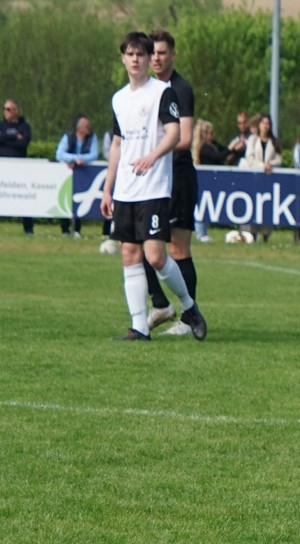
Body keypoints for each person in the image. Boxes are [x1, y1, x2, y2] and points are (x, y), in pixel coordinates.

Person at [100, 31, 206, 342]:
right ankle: (139, 327)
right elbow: (117, 144)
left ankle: (189, 307)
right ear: (123, 59)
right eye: (130, 54)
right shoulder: (119, 99)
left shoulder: (162, 92)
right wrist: (108, 188)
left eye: (141, 54)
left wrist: (152, 156)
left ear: (148, 59)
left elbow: (175, 134)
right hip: (126, 190)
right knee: (129, 254)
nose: (135, 60)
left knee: (156, 256)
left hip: (155, 187)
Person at [142, 29, 201, 336]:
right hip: (154, 175)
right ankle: (160, 304)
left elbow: (185, 138)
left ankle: (188, 320)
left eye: (162, 52)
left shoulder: (180, 88)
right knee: (140, 242)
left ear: (173, 55)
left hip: (177, 176)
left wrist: (150, 151)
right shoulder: (148, 89)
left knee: (178, 249)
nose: (156, 58)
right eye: (152, 52)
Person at [55, 115, 99, 238]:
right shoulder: (68, 137)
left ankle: (77, 230)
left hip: (82, 173)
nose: (88, 128)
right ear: (79, 128)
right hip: (67, 173)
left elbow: (94, 154)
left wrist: (81, 160)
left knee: (79, 199)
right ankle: (64, 229)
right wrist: (74, 159)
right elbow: (59, 154)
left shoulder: (92, 137)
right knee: (65, 199)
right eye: (86, 126)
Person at [240, 113, 282, 243]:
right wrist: (261, 166)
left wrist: (270, 165)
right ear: (259, 125)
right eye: (263, 123)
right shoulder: (253, 139)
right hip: (254, 177)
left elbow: (279, 159)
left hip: (267, 178)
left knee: (266, 207)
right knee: (251, 205)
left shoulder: (273, 141)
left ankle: (265, 236)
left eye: (268, 123)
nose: (265, 126)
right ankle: (250, 235)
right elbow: (249, 157)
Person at [192, 119, 229, 242]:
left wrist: (232, 150)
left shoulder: (214, 145)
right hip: (204, 181)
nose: (213, 135)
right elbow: (218, 157)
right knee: (202, 205)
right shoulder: (204, 148)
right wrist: (231, 148)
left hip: (212, 181)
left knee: (207, 205)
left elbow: (223, 152)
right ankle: (200, 233)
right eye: (211, 132)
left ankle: (203, 232)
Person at [1, 98, 34, 235]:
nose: (6, 112)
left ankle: (28, 228)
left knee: (24, 198)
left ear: (16, 111)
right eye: (4, 109)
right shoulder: (1, 125)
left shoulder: (24, 126)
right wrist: (14, 135)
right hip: (3, 166)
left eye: (8, 109)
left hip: (20, 168)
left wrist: (5, 138)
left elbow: (23, 143)